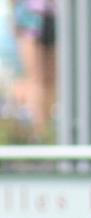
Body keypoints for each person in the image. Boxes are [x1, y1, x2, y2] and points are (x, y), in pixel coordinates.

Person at [11, 0, 55, 139]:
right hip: (29, 15)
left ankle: (46, 131)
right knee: (36, 80)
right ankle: (40, 133)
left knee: (50, 80)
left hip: (52, 14)